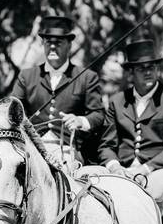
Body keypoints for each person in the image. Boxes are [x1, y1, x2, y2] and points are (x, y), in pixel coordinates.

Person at [98, 38, 163, 214]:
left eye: (152, 67)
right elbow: (106, 146)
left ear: (157, 69)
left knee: (161, 182)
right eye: (141, 68)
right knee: (88, 178)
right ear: (131, 72)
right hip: (121, 171)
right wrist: (115, 167)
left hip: (156, 172)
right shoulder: (116, 102)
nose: (147, 72)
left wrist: (144, 169)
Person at [10, 15, 104, 163]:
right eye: (48, 42)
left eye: (58, 42)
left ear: (69, 45)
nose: (52, 46)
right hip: (32, 150)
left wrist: (80, 120)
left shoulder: (87, 77)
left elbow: (98, 115)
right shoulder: (27, 76)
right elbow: (12, 109)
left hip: (68, 150)